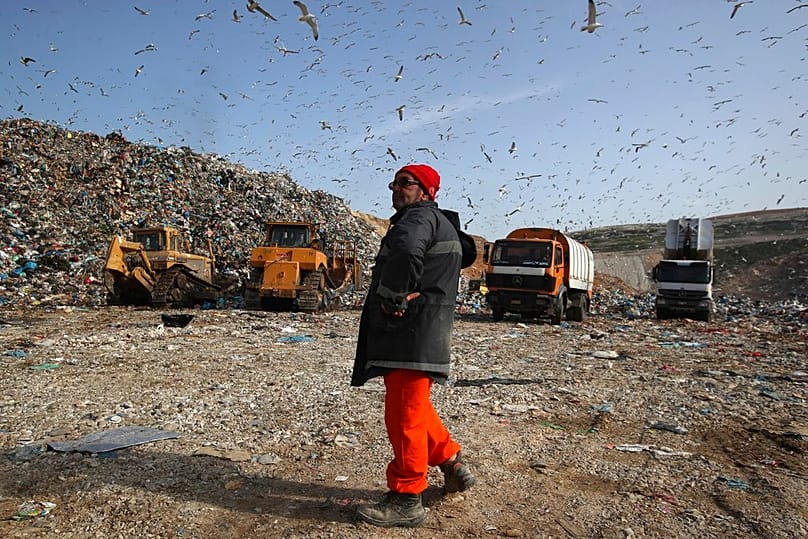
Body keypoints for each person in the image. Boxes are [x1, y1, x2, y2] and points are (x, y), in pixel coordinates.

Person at [351, 164, 476, 528]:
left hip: (409, 329)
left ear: (427, 191)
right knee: (415, 405)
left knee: (403, 413)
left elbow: (406, 251)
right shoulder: (441, 222)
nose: (396, 189)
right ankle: (450, 461)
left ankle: (407, 497)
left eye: (406, 183)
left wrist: (392, 296)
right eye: (394, 182)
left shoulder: (416, 219)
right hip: (426, 328)